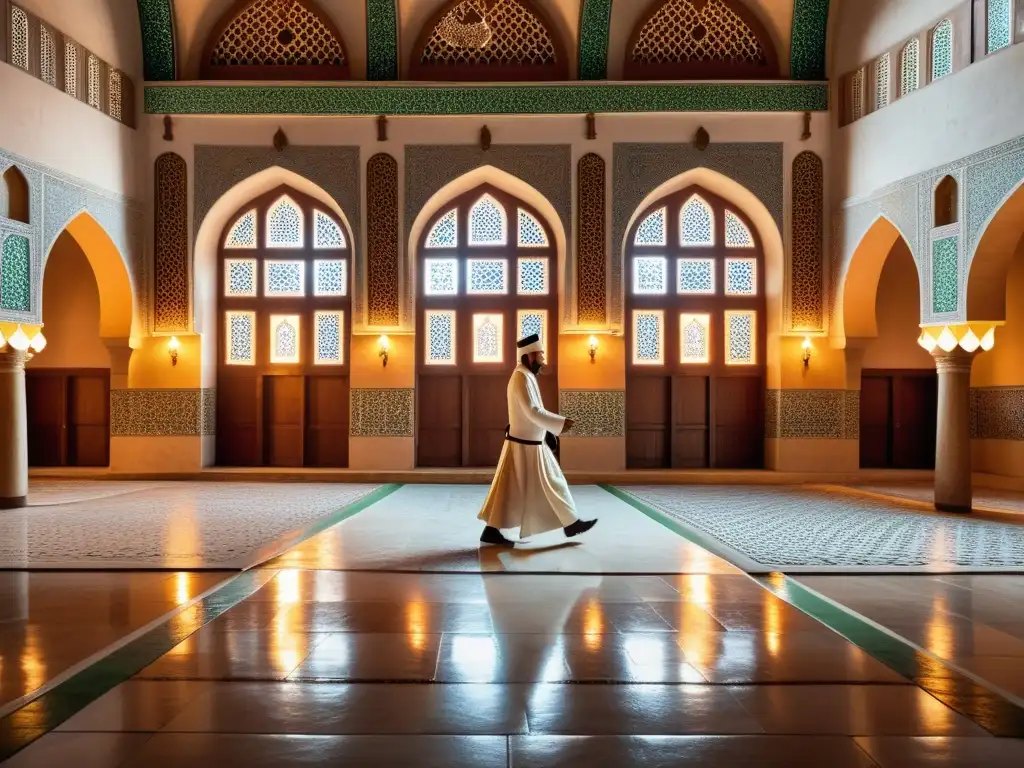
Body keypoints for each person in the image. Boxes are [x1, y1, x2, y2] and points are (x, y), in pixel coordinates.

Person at [477, 333, 598, 547]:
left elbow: (534, 412)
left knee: (553, 483)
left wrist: (550, 429)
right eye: (540, 354)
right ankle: (492, 530)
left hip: (532, 444)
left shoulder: (526, 375)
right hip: (522, 447)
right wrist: (559, 423)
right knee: (512, 492)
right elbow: (532, 411)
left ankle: (571, 523)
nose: (543, 358)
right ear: (530, 355)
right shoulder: (520, 377)